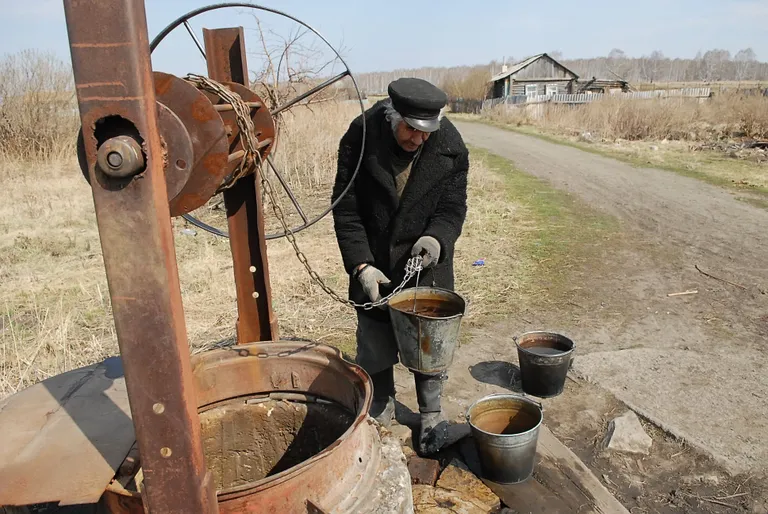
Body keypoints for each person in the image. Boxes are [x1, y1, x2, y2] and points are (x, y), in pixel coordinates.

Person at [331, 77, 469, 456]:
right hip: (375, 260)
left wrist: (437, 238)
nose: (418, 139)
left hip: (425, 263)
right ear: (393, 116)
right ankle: (382, 406)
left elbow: (453, 207)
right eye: (411, 129)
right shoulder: (359, 138)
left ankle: (431, 416)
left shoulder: (451, 146)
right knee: (374, 340)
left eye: (427, 131)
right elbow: (346, 211)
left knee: (428, 343)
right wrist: (361, 266)